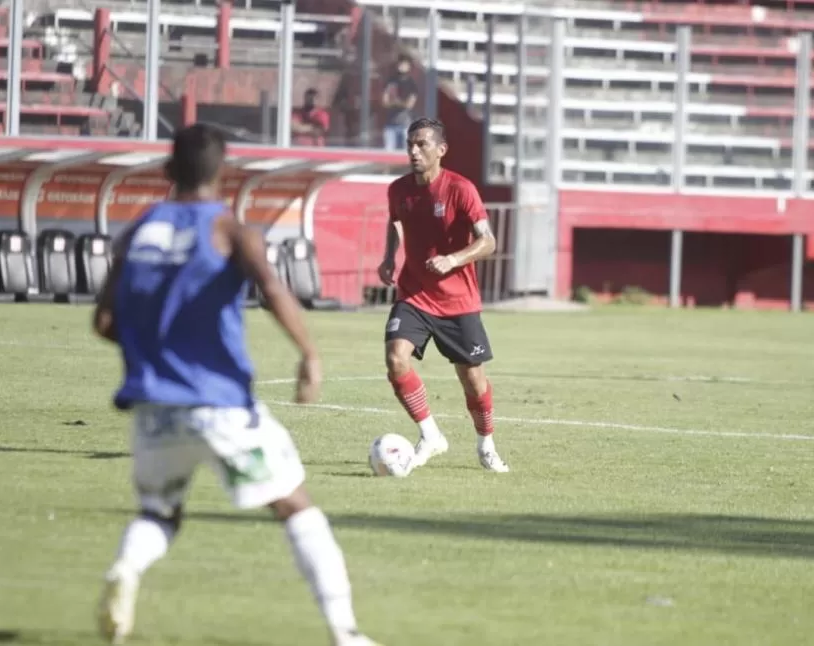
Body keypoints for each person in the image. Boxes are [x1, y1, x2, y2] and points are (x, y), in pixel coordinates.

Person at [92, 124, 380, 646]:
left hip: (154, 409)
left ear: (167, 170)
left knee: (159, 514)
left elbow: (105, 323)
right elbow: (271, 288)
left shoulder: (137, 233)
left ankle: (126, 569)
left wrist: (158, 351)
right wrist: (309, 354)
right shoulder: (229, 230)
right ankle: (347, 632)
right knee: (296, 506)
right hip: (219, 404)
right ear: (222, 173)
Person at [377, 117, 509, 473]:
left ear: (441, 150)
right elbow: (395, 220)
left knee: (473, 381)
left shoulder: (461, 189)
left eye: (421, 144)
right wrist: (389, 257)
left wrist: (453, 259)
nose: (413, 151)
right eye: (410, 144)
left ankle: (486, 445)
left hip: (457, 302)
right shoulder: (398, 190)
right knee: (395, 358)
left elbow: (488, 241)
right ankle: (430, 435)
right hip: (415, 294)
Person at [381, 56, 419, 151]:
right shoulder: (391, 81)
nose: (402, 66)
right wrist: (397, 102)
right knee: (388, 151)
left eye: (405, 64)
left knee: (406, 152)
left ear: (409, 67)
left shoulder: (411, 84)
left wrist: (396, 102)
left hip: (405, 124)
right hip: (390, 123)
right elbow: (385, 101)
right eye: (401, 64)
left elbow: (409, 105)